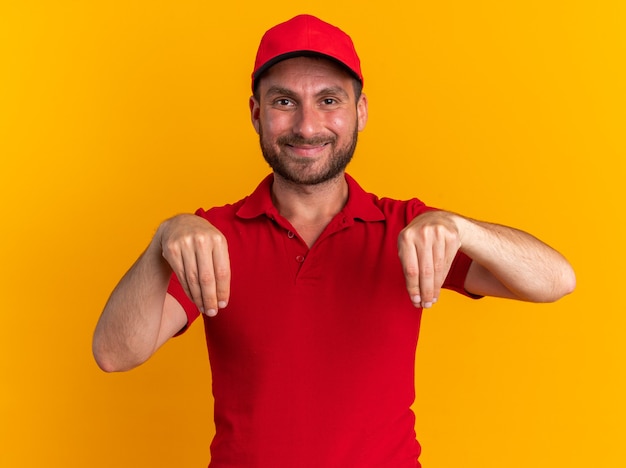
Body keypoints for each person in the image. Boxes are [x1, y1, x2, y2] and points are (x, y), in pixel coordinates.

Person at [92, 14, 576, 468]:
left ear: (360, 111)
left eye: (329, 100)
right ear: (256, 114)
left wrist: (462, 228)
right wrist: (162, 240)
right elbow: (115, 354)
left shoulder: (408, 231)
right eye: (284, 102)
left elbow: (556, 280)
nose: (307, 126)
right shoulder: (212, 238)